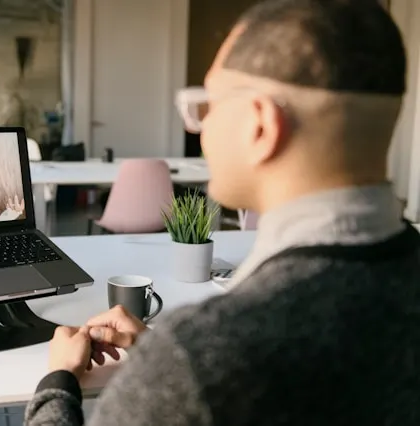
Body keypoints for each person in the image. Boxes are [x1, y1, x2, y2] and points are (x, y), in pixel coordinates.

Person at [24, 0, 420, 424]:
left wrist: (58, 381)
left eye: (206, 105)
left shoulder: (202, 358)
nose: (201, 128)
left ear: (260, 125)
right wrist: (163, 360)